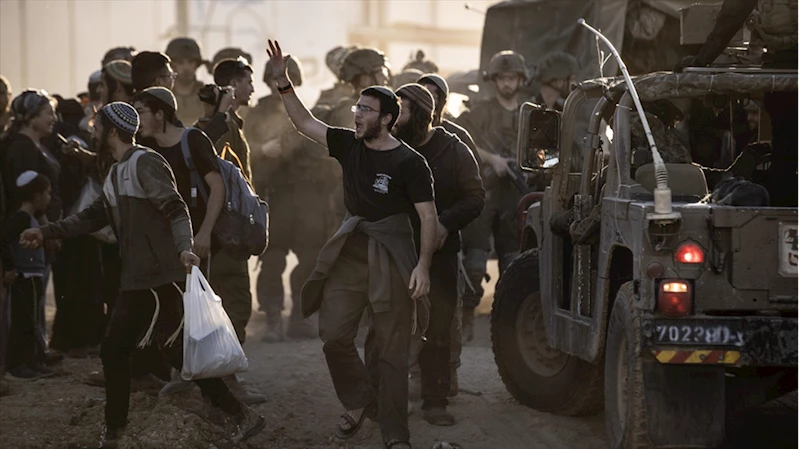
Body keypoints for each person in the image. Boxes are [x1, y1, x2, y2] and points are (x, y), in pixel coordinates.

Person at [18, 102, 264, 446]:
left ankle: (114, 431)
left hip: (156, 278)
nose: (92, 131)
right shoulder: (116, 171)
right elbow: (92, 217)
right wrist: (46, 233)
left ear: (112, 131)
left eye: (97, 126)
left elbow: (175, 207)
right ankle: (238, 416)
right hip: (141, 278)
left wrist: (184, 247)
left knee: (116, 350)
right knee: (172, 352)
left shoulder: (144, 162)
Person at [267, 40, 436, 449]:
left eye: (366, 110)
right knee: (334, 336)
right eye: (356, 108)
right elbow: (304, 123)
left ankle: (395, 434)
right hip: (351, 254)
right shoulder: (348, 144)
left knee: (392, 353)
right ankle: (360, 400)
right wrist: (283, 83)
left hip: (392, 258)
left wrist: (422, 266)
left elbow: (428, 218)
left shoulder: (411, 163)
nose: (356, 114)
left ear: (387, 119)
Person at [392, 83, 484, 425]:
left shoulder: (453, 149)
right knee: (392, 327)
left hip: (440, 254)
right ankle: (391, 398)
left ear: (420, 114)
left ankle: (435, 401)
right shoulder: (388, 147)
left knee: (438, 329)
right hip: (396, 251)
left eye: (401, 112)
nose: (394, 118)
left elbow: (475, 196)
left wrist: (446, 223)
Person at [674, 0, 797, 207]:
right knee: (785, 150)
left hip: (783, 72)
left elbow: (731, 17)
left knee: (786, 152)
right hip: (782, 71)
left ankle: (782, 213)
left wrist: (701, 60)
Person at [244, 55, 330, 343]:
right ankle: (273, 318)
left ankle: (300, 318)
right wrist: (263, 150)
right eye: (274, 78)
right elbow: (245, 149)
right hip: (275, 196)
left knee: (310, 258)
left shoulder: (305, 111)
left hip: (308, 197)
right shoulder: (257, 114)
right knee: (272, 260)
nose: (278, 83)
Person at [456, 50, 529, 341]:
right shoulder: (481, 112)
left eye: (512, 78)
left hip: (515, 195)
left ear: (520, 80)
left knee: (512, 263)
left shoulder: (528, 112)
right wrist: (493, 160)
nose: (507, 83)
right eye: (502, 78)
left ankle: (506, 328)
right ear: (494, 80)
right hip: (485, 192)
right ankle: (466, 318)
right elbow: (463, 141)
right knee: (475, 262)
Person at [1, 171, 56, 381]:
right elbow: (3, 240)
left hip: (33, 275)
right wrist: (10, 268)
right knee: (23, 322)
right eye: (47, 193)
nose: (49, 197)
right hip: (25, 275)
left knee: (31, 320)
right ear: (37, 195)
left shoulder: (31, 217)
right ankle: (17, 365)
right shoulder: (22, 218)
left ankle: (31, 361)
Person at [165, 37, 208, 126]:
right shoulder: (163, 96)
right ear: (171, 66)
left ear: (197, 64)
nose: (186, 67)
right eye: (180, 62)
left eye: (191, 62)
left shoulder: (207, 96)